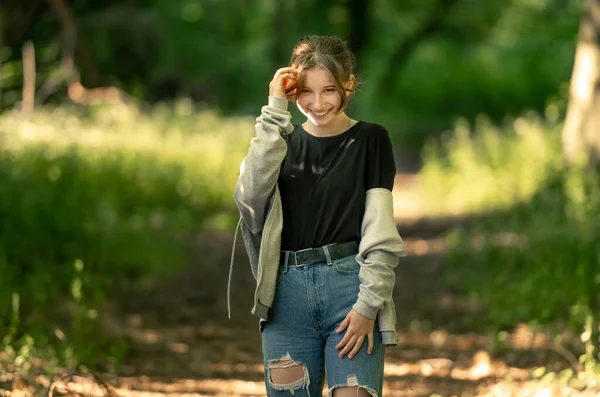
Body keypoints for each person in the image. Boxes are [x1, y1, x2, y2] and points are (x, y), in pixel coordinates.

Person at [230, 35, 406, 397]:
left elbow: (380, 231)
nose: (317, 103)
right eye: (305, 92)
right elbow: (248, 200)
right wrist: (274, 110)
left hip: (350, 293)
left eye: (328, 90)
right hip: (286, 300)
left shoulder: (371, 141)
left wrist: (368, 305)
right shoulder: (281, 143)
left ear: (348, 85)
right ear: (293, 93)